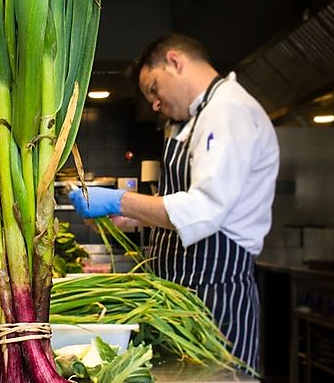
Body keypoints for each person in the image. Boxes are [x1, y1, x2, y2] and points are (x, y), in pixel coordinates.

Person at [68, 34, 279, 371]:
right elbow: (186, 205)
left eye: (153, 88)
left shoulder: (228, 111)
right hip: (182, 296)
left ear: (175, 62)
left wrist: (120, 201)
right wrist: (134, 219)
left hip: (214, 295)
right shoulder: (195, 119)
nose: (153, 103)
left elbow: (202, 212)